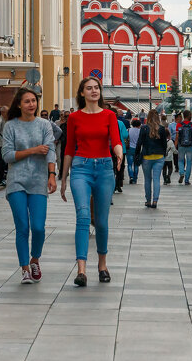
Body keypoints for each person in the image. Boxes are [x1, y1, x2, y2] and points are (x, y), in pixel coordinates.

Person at [60, 77, 123, 286]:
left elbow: (115, 139)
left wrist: (119, 154)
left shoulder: (109, 115)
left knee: (102, 222)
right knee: (83, 216)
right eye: (89, 88)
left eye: (96, 88)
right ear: (82, 93)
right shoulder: (75, 118)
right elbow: (69, 148)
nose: (94, 91)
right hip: (81, 168)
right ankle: (81, 270)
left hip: (104, 168)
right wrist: (63, 178)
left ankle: (102, 265)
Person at [1, 86, 57, 285]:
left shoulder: (44, 125)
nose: (31, 104)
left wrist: (52, 175)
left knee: (39, 227)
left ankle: (35, 259)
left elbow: (50, 151)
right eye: (27, 101)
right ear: (19, 104)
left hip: (39, 180)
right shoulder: (10, 126)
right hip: (16, 181)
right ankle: (24, 268)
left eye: (33, 100)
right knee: (22, 226)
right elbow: (7, 155)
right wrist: (33, 150)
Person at [136, 112, 169, 208]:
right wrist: (163, 153)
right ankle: (155, 201)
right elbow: (164, 144)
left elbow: (139, 143)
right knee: (156, 179)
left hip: (147, 157)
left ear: (148, 117)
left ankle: (148, 200)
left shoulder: (144, 128)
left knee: (147, 180)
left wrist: (137, 155)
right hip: (159, 157)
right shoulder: (162, 129)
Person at [176, 111, 192, 184]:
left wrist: (176, 145)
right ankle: (187, 180)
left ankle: (182, 172)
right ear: (189, 116)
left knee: (180, 161)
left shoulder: (179, 125)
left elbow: (177, 136)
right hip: (190, 145)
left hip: (181, 145)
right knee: (189, 162)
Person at [114, 108, 128, 193]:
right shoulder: (120, 123)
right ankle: (118, 184)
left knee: (112, 167)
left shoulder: (105, 123)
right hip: (121, 148)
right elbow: (125, 135)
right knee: (120, 167)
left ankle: (112, 185)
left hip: (110, 149)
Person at [126, 118, 142, 184]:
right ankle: (135, 178)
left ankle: (131, 176)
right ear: (139, 125)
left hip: (129, 148)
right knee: (136, 165)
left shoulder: (128, 130)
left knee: (129, 164)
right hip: (137, 149)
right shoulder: (140, 131)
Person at [162, 114, 176, 184]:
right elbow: (173, 149)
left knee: (164, 169)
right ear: (168, 135)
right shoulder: (170, 141)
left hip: (163, 158)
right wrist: (176, 152)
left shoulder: (161, 141)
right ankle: (169, 175)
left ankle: (164, 180)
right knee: (170, 168)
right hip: (169, 158)